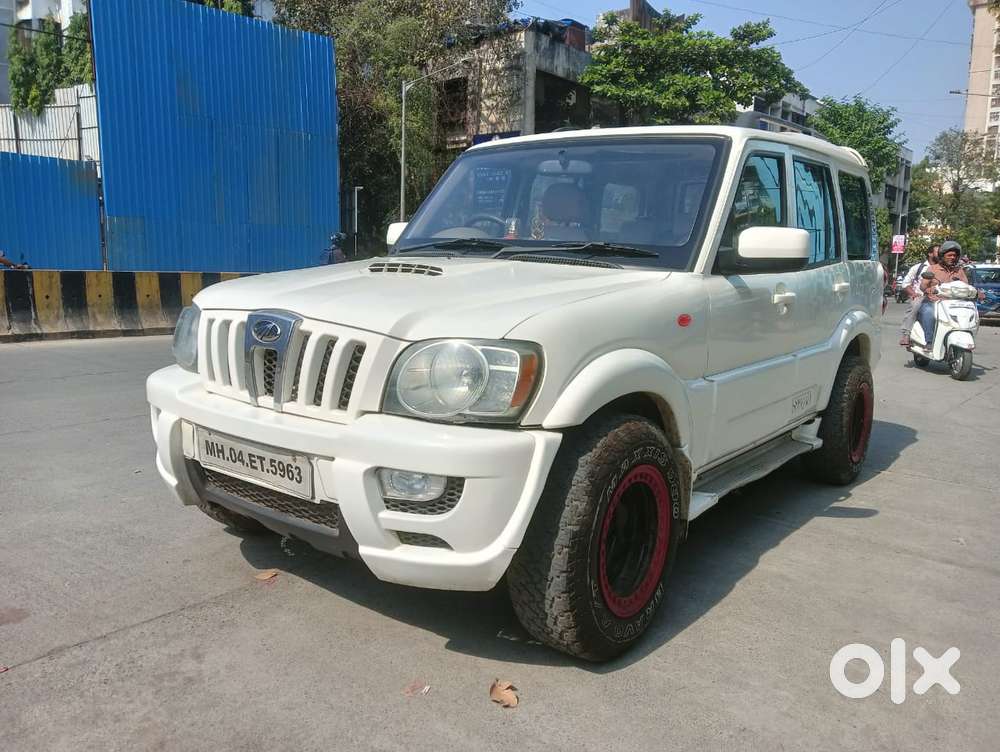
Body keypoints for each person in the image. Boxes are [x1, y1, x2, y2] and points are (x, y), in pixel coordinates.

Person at [916, 241, 972, 343]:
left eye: (954, 255)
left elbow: (966, 286)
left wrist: (976, 292)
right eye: (949, 255)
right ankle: (929, 341)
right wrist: (929, 290)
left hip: (954, 304)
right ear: (942, 256)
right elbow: (923, 285)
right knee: (928, 312)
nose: (952, 257)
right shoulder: (933, 268)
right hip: (934, 302)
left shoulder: (959, 271)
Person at [899, 245, 939, 347]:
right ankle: (906, 334)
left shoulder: (942, 268)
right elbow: (905, 283)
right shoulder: (918, 268)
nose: (940, 254)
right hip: (920, 296)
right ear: (930, 254)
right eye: (937, 252)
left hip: (938, 297)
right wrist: (913, 293)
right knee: (915, 305)